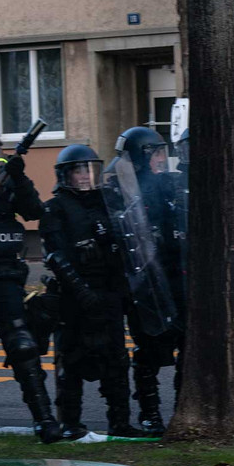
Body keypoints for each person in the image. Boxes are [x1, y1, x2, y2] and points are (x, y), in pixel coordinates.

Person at [40, 145, 146, 439]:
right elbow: (55, 256)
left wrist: (125, 286)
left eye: (89, 170)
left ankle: (121, 423)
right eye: (79, 170)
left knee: (116, 360)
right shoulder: (55, 208)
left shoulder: (107, 202)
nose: (86, 176)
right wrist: (81, 291)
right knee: (71, 361)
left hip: (109, 293)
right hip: (74, 297)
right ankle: (71, 424)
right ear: (66, 175)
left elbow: (128, 244)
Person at [0, 124, 61, 443]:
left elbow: (35, 212)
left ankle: (45, 420)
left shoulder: (7, 182)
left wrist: (20, 177)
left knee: (23, 348)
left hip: (6, 278)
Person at [109, 127, 182, 436]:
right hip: (143, 282)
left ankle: (184, 410)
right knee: (149, 347)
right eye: (156, 154)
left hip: (174, 277)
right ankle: (150, 414)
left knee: (187, 345)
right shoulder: (118, 190)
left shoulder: (169, 184)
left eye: (163, 153)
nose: (162, 160)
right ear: (140, 157)